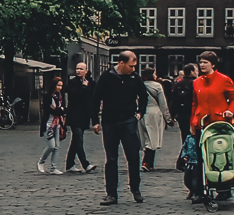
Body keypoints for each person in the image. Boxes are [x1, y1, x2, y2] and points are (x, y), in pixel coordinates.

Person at [91, 51, 148, 205]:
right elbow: (96, 98)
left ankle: (135, 189)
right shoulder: (107, 77)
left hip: (129, 121)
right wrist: (95, 120)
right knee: (111, 158)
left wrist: (140, 112)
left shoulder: (134, 78)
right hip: (110, 122)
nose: (133, 69)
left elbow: (144, 95)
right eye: (131, 66)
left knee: (133, 156)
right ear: (121, 63)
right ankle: (111, 194)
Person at [190, 52, 234, 133]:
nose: (202, 65)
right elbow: (195, 104)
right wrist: (193, 123)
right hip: (201, 123)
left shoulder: (224, 80)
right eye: (200, 62)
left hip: (219, 122)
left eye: (205, 62)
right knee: (200, 145)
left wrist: (230, 111)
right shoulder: (196, 82)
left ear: (213, 65)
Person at [64, 62, 98, 174]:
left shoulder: (91, 83)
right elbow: (74, 95)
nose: (78, 71)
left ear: (86, 70)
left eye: (81, 69)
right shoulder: (72, 83)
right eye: (77, 68)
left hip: (84, 115)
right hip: (74, 115)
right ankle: (85, 164)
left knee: (75, 141)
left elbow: (93, 98)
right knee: (78, 138)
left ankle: (69, 164)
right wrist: (83, 87)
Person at [139, 67, 170, 171]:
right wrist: (168, 118)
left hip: (141, 113)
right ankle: (147, 161)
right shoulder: (157, 86)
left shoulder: (139, 85)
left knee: (146, 137)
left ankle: (149, 163)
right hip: (154, 112)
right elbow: (163, 104)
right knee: (153, 138)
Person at [38, 75, 66, 174]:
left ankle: (54, 168)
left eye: (61, 86)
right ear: (54, 85)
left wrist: (59, 110)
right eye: (58, 85)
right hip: (49, 124)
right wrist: (60, 110)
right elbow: (49, 110)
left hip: (58, 124)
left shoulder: (61, 96)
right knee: (51, 146)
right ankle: (41, 161)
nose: (60, 88)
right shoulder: (48, 96)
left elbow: (62, 109)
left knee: (57, 146)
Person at [171, 65, 198, 147]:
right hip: (194, 113)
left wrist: (172, 116)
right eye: (196, 70)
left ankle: (186, 153)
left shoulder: (178, 84)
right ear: (192, 72)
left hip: (181, 114)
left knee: (185, 135)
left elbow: (173, 100)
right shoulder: (196, 83)